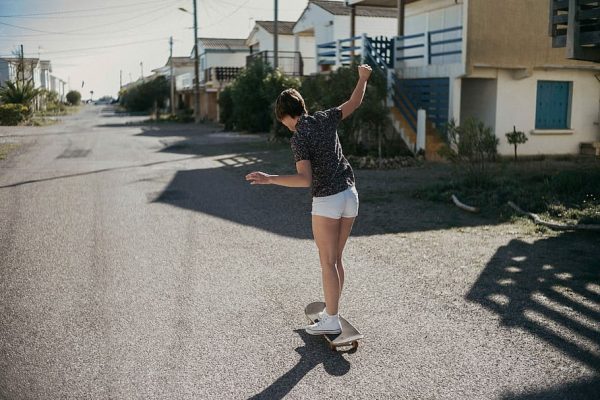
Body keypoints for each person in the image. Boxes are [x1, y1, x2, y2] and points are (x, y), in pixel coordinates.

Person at [245, 64, 372, 335]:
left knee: (327, 261)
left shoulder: (299, 137)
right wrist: (362, 78)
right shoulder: (326, 118)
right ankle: (332, 312)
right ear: (302, 107)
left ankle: (331, 320)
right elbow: (355, 101)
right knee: (336, 259)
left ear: (285, 117)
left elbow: (304, 179)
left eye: (284, 122)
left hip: (328, 201)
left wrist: (269, 178)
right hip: (350, 194)